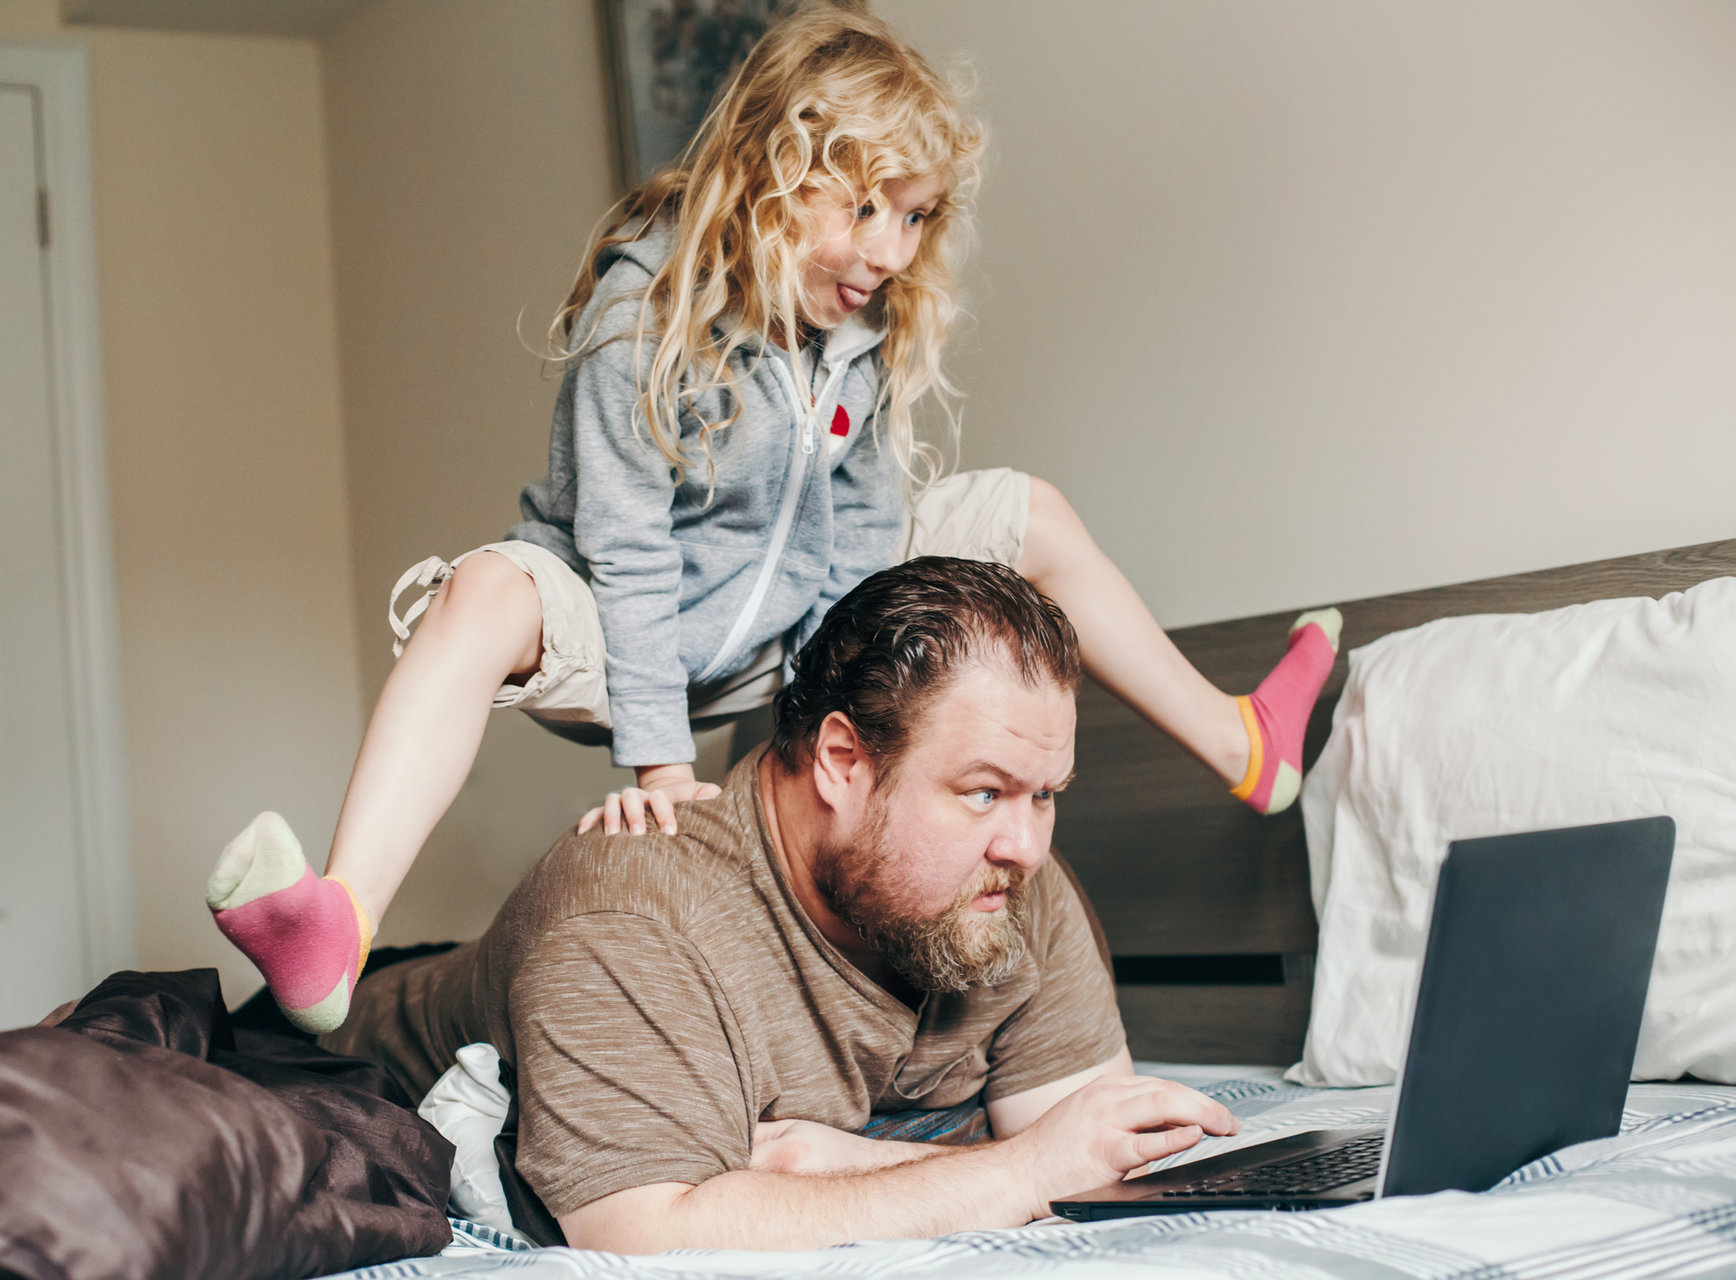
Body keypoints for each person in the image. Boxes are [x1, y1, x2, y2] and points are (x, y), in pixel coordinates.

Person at [205, 7, 1341, 1035]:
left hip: (777, 626)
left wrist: (821, 703)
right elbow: (628, 539)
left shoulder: (857, 328)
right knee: (479, 594)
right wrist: (659, 761)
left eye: (915, 216)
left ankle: (1243, 742)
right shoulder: (639, 313)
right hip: (616, 625)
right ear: (768, 173)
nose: (893, 251)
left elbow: (859, 518)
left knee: (1028, 513)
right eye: (864, 209)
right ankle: (340, 923)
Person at [323, 556, 1241, 1251]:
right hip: (351, 1043)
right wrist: (1016, 1168)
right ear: (844, 762)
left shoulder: (1005, 880)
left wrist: (843, 1164)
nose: (1028, 844)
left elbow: (1090, 1147)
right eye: (983, 791)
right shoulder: (631, 920)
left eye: (1047, 794)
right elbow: (644, 1231)